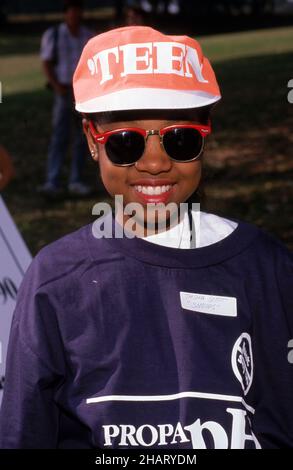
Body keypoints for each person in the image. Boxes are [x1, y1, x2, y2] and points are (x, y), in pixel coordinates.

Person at [0, 25, 292, 449]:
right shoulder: (56, 280)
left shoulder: (265, 266)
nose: (154, 164)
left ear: (206, 134)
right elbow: (24, 432)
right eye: (124, 143)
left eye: (180, 139)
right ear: (91, 141)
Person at [39, 0, 93, 197]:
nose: (75, 16)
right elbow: (46, 63)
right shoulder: (54, 34)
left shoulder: (88, 36)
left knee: (81, 137)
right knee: (59, 136)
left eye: (77, 12)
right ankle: (52, 180)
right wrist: (56, 86)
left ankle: (76, 180)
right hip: (62, 91)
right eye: (71, 12)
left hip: (81, 92)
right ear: (66, 14)